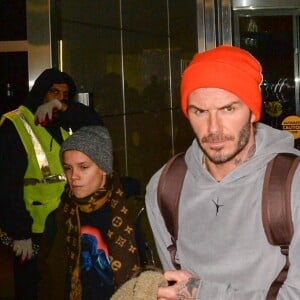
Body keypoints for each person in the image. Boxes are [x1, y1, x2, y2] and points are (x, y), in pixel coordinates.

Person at [145, 45, 300, 299]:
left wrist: (201, 293)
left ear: (252, 111)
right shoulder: (166, 186)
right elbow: (175, 285)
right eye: (199, 111)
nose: (213, 128)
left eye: (228, 109)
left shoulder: (292, 184)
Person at [0, 68, 103, 299]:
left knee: (58, 283)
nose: (59, 97)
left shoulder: (62, 121)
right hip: (33, 227)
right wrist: (19, 232)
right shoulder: (16, 125)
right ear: (40, 92)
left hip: (64, 219)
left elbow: (97, 127)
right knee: (32, 285)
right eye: (54, 92)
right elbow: (6, 185)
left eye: (65, 94)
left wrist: (64, 108)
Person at [38, 125, 152, 300]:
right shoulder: (62, 215)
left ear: (104, 167)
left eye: (83, 167)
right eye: (68, 168)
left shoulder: (134, 213)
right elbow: (50, 278)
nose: (73, 176)